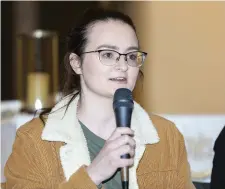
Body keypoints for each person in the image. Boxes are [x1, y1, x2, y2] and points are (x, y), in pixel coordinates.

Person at [4, 8, 195, 189]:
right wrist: (93, 175)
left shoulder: (166, 136)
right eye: (108, 54)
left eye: (130, 56)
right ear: (76, 63)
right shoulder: (34, 140)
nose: (122, 65)